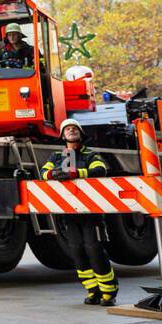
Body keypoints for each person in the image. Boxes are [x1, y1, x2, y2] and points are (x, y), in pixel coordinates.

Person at [41, 118, 117, 306]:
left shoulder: (91, 155)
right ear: (62, 135)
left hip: (91, 213)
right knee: (76, 250)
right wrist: (54, 174)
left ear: (81, 133)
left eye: (75, 128)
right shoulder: (57, 157)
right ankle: (92, 291)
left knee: (94, 249)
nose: (71, 131)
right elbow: (43, 172)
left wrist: (77, 173)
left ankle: (108, 291)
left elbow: (100, 170)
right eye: (68, 129)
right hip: (69, 213)